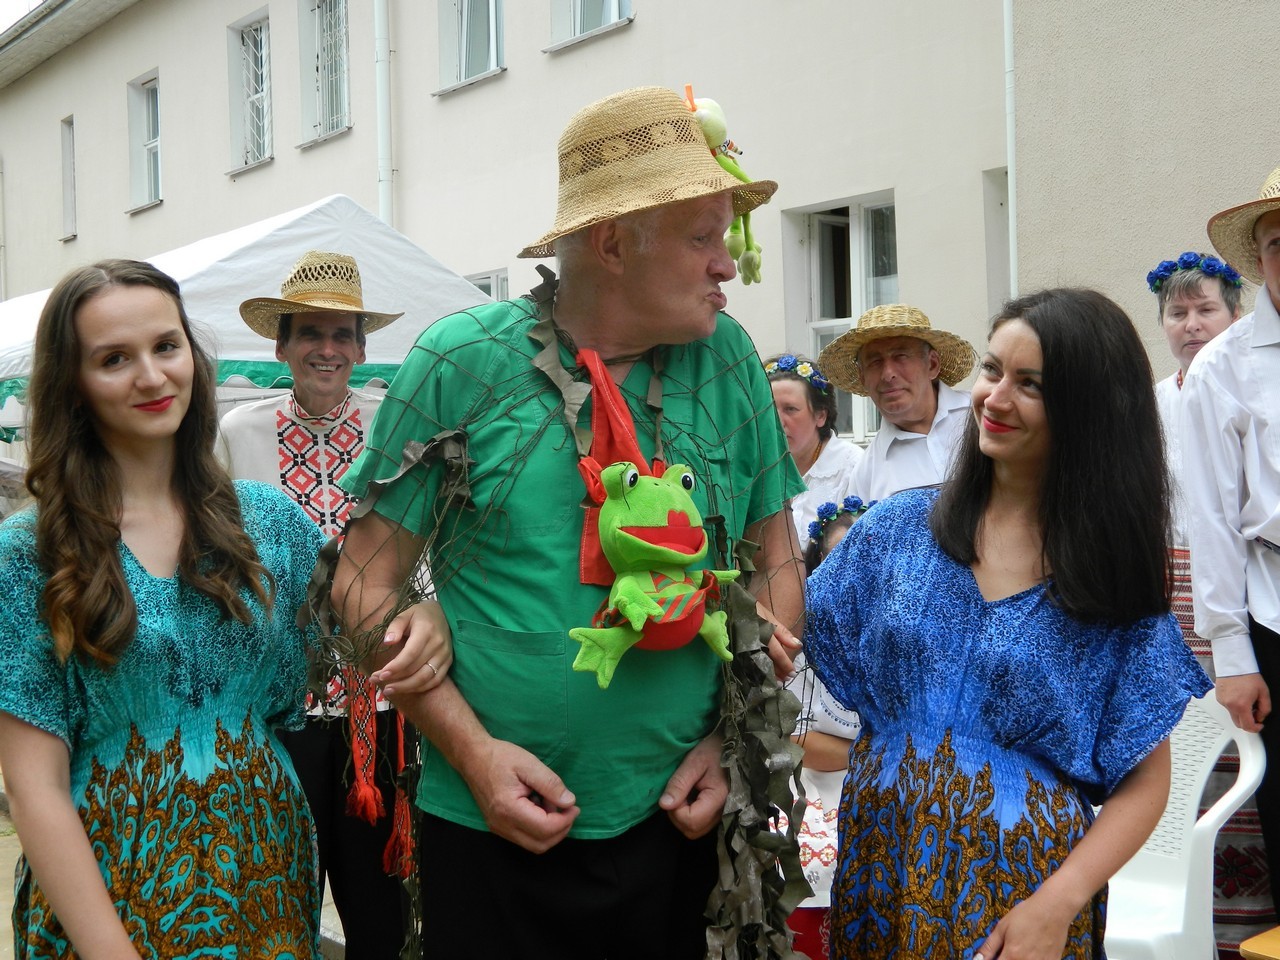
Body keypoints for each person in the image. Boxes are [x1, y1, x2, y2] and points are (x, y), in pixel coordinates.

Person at [330, 86, 806, 959]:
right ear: (613, 242)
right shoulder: (463, 361)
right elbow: (360, 582)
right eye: (703, 237)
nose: (727, 266)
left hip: (682, 825)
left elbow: (775, 558)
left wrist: (728, 739)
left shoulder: (730, 359)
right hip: (486, 827)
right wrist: (471, 751)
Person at [0, 259, 445, 958]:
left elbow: (365, 619)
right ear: (72, 384)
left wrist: (428, 617)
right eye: (114, 358)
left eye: (165, 346)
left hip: (266, 883)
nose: (152, 376)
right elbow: (34, 791)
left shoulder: (268, 523)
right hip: (113, 895)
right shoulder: (31, 552)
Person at [806, 288, 1210, 958]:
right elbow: (792, 636)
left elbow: (1146, 780)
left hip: (1019, 904)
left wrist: (1060, 902)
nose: (994, 399)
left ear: (1088, 411)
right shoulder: (896, 531)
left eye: (1031, 384)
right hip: (881, 877)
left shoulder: (1109, 584)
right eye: (993, 370)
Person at [220, 250, 410, 958]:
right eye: (309, 334)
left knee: (379, 908)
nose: (326, 350)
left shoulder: (394, 429)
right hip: (279, 706)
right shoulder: (239, 434)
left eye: (340, 335)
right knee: (281, 896)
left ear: (360, 348)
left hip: (378, 699)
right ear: (282, 347)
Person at [1184, 165, 1280, 916]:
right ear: (1259, 258)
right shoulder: (1224, 366)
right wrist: (1233, 655)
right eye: (1277, 243)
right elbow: (1212, 520)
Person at [784, 496, 871, 960]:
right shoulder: (801, 640)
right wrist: (871, 754)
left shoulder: (895, 640)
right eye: (837, 560)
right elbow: (794, 740)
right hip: (810, 785)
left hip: (871, 785)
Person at [818, 303, 977, 501]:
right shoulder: (866, 474)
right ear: (862, 377)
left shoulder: (980, 415)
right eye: (875, 362)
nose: (888, 374)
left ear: (932, 364)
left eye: (901, 356)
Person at [764, 352, 863, 544]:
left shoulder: (852, 468)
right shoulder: (757, 468)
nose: (777, 422)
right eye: (768, 409)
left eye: (790, 409)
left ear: (820, 416)